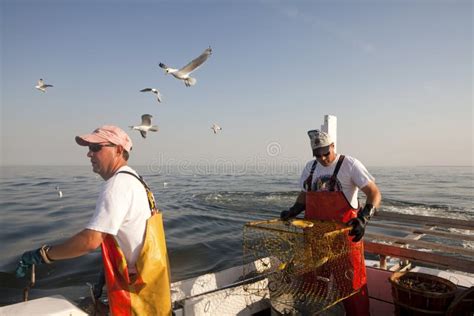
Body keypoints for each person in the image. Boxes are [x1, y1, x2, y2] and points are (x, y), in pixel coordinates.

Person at [15, 125, 172, 315]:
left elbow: (90, 241)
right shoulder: (136, 180)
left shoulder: (117, 185)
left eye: (96, 148)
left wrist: (43, 254)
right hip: (152, 288)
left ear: (119, 150)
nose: (89, 154)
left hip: (135, 296)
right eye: (89, 148)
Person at [280, 130, 381, 316]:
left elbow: (374, 193)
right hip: (315, 238)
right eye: (317, 155)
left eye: (326, 153)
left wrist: (364, 217)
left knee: (352, 285)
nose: (323, 158)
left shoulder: (349, 165)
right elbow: (305, 194)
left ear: (333, 146)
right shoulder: (310, 168)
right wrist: (294, 210)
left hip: (345, 239)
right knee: (313, 283)